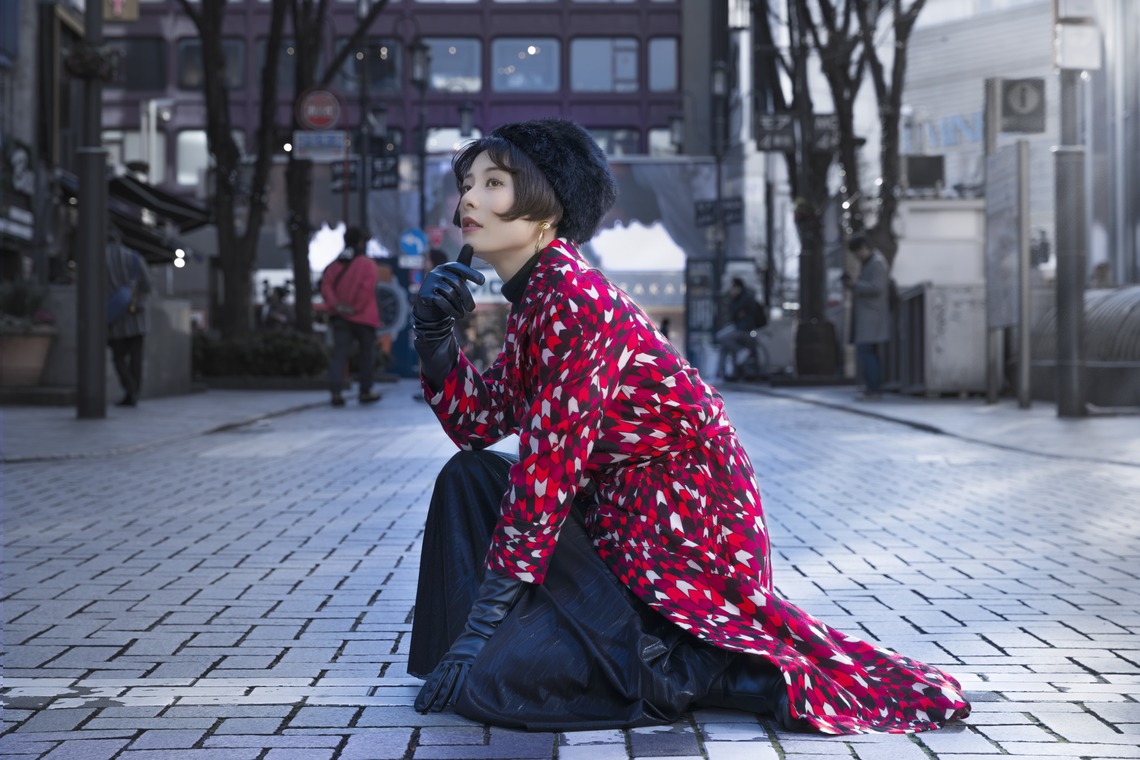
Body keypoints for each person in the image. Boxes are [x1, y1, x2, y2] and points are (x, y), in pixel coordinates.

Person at [407, 118, 970, 735]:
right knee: (469, 478)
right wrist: (435, 339)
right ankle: (591, 648)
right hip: (621, 512)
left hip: (678, 527)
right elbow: (479, 426)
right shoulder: (539, 294)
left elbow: (548, 473)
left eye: (494, 182)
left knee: (507, 676)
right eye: (467, 183)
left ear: (547, 206)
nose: (469, 198)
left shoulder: (571, 296)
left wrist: (482, 630)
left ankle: (674, 661)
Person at [320, 226, 382, 407]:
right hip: (364, 318)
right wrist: (354, 308)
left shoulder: (334, 265)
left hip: (340, 318)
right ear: (361, 242)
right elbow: (366, 289)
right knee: (366, 355)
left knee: (339, 354)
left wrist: (337, 305)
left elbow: (326, 286)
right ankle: (365, 391)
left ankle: (336, 392)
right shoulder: (368, 264)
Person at [843, 234, 890, 400]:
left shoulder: (876, 263)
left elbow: (877, 287)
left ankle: (874, 389)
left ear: (864, 248)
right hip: (869, 317)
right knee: (868, 353)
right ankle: (872, 388)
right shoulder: (871, 262)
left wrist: (855, 284)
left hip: (872, 317)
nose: (857, 256)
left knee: (867, 352)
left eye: (857, 252)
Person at [106, 241, 152, 407]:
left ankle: (129, 388)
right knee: (136, 358)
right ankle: (134, 393)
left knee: (118, 357)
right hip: (136, 316)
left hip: (113, 317)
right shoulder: (133, 257)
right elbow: (147, 284)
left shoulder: (99, 258)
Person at [716, 277, 767, 380]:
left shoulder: (745, 298)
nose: (731, 291)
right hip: (740, 327)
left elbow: (735, 312)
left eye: (732, 288)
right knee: (724, 345)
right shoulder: (742, 298)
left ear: (738, 288)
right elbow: (736, 314)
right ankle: (722, 371)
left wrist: (737, 310)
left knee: (721, 337)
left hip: (744, 329)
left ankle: (740, 351)